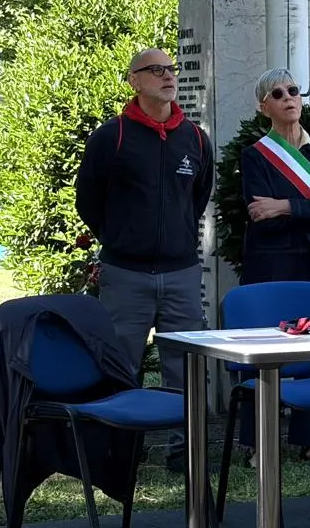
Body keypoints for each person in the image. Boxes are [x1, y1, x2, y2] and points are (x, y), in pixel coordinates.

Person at [75, 47, 214, 417]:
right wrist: (121, 239)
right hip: (126, 275)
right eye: (156, 70)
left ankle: (183, 449)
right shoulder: (111, 137)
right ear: (134, 81)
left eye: (172, 69)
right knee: (119, 366)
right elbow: (88, 201)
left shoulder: (196, 139)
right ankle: (120, 450)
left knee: (184, 368)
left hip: (182, 273)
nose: (168, 76)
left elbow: (196, 198)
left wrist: (177, 237)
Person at [241, 67, 310, 465]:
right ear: (263, 106)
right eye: (278, 93)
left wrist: (285, 204)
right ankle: (257, 441)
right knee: (265, 349)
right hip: (270, 260)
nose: (289, 98)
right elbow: (259, 211)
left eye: (293, 91)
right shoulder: (255, 156)